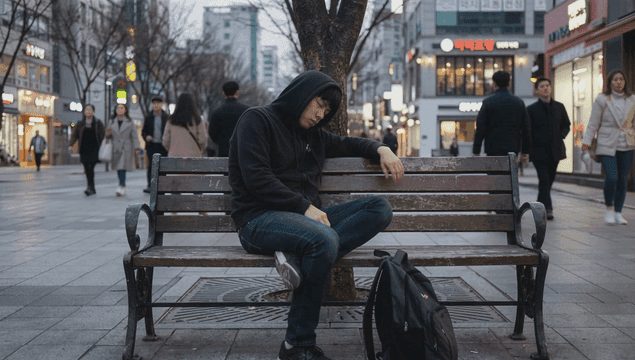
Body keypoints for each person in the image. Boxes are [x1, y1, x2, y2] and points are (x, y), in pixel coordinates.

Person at [229, 70, 404, 360]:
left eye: (326, 110)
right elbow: (256, 178)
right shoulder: (257, 120)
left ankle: (296, 256)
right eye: (318, 105)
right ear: (302, 94)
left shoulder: (314, 136)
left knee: (379, 208)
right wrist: (304, 207)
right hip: (258, 219)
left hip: (306, 222)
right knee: (322, 241)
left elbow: (349, 144)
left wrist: (382, 147)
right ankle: (297, 346)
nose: (320, 114)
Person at [582, 69, 635, 225]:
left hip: (626, 144)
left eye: (621, 79)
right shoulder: (602, 100)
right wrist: (585, 147)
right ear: (610, 83)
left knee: (623, 180)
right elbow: (593, 124)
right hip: (606, 144)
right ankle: (609, 209)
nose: (618, 82)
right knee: (611, 177)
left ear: (625, 82)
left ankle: (618, 212)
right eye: (615, 79)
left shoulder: (632, 99)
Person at [527, 78, 571, 220]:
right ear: (537, 90)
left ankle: (539, 205)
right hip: (538, 151)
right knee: (544, 180)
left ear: (550, 88)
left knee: (549, 180)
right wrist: (526, 151)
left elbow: (566, 124)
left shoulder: (559, 107)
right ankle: (548, 209)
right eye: (542, 86)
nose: (545, 88)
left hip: (555, 150)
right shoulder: (531, 109)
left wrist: (561, 136)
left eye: (547, 86)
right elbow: (527, 131)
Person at [473, 70, 531, 160]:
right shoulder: (518, 102)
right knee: (511, 172)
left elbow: (480, 128)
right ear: (509, 84)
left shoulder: (488, 102)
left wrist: (476, 150)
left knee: (494, 173)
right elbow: (526, 128)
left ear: (494, 84)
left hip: (492, 148)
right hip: (513, 148)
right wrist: (525, 151)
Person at [68, 104, 106, 196]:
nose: (88, 111)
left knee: (90, 168)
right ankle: (90, 186)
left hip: (94, 149)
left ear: (93, 112)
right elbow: (75, 135)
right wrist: (71, 144)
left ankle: (90, 187)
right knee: (86, 168)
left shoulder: (98, 123)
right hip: (84, 149)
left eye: (90, 110)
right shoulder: (80, 123)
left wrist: (102, 146)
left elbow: (102, 135)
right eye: (86, 110)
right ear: (84, 112)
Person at [106, 104, 140, 197]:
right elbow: (107, 135)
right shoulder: (112, 121)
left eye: (122, 108)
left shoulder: (129, 121)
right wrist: (107, 133)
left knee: (122, 167)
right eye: (118, 108)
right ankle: (122, 185)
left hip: (126, 147)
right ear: (115, 110)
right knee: (118, 167)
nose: (120, 109)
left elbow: (134, 135)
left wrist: (137, 147)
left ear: (125, 110)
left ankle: (121, 185)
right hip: (115, 147)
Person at [208, 81, 250, 157]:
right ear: (237, 92)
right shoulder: (247, 111)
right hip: (243, 151)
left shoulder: (217, 112)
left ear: (223, 93)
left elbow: (212, 134)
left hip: (224, 151)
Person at [162, 93, 207, 157]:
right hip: (194, 156)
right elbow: (203, 140)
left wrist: (173, 149)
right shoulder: (198, 120)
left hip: (175, 157)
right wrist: (197, 149)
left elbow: (165, 140)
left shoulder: (171, 120)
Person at [141, 96, 169, 193]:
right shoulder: (148, 117)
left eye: (158, 103)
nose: (156, 105)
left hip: (163, 146)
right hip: (151, 145)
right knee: (151, 166)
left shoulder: (166, 117)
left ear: (162, 105)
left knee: (163, 166)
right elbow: (143, 132)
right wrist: (146, 137)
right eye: (154, 103)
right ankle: (150, 185)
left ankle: (162, 185)